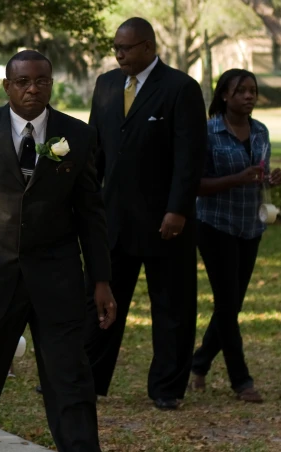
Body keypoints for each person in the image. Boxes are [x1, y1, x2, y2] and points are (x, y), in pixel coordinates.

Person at [0, 50, 116, 452]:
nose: (33, 89)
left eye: (41, 81)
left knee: (70, 380)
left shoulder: (77, 135)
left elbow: (90, 213)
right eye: (23, 82)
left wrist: (101, 279)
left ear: (51, 83)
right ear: (7, 86)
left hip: (57, 277)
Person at [82, 17, 207, 410]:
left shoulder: (180, 88)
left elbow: (190, 158)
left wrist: (178, 210)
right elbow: (95, 150)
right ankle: (87, 378)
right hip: (113, 220)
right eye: (116, 47)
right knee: (100, 302)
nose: (118, 54)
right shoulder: (105, 85)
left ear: (149, 47)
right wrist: (84, 201)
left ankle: (167, 388)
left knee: (172, 306)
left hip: (165, 222)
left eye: (127, 47)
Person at [190, 69, 281, 403]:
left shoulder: (261, 131)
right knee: (228, 305)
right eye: (241, 90)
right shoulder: (208, 132)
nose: (249, 96)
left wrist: (271, 179)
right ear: (225, 95)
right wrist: (237, 178)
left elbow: (258, 174)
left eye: (253, 91)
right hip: (215, 225)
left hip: (250, 227)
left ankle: (198, 363)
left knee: (232, 305)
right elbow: (197, 184)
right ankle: (241, 380)